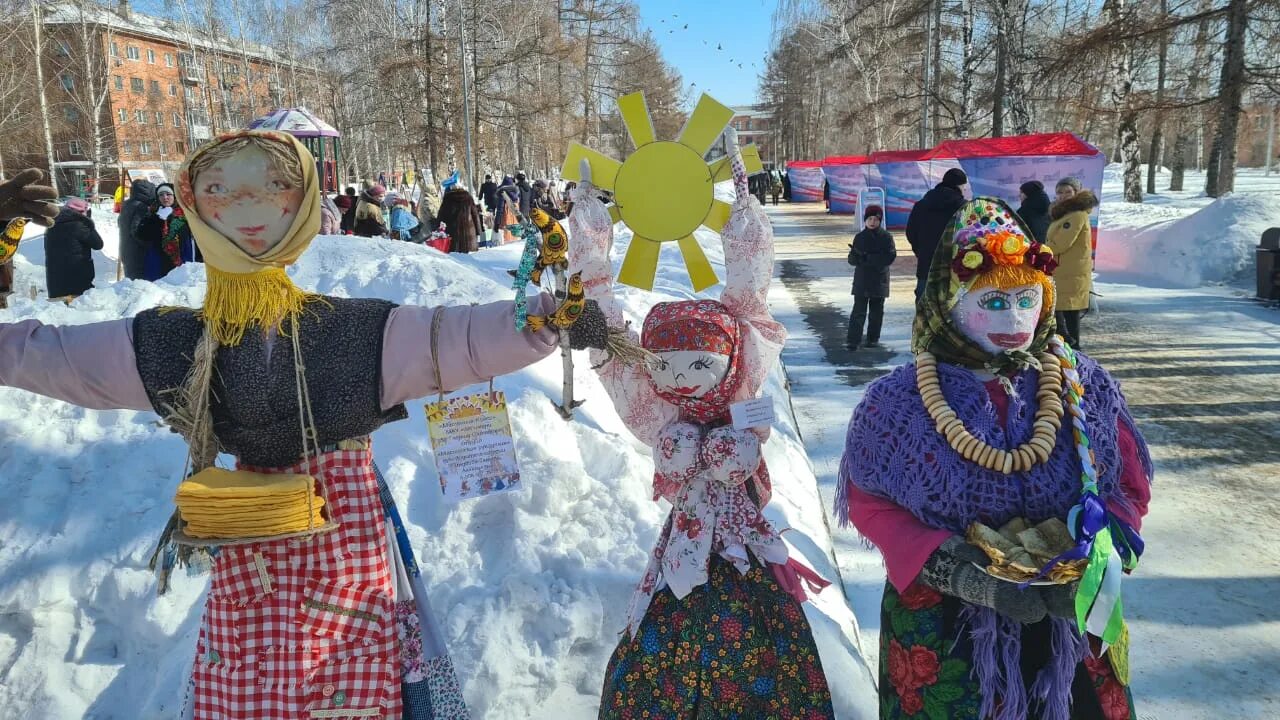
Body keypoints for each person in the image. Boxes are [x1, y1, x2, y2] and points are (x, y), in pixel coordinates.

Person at [0, 130, 609, 720]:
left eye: (273, 188)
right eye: (221, 191)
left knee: (333, 686)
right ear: (193, 205)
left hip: (334, 567)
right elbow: (51, 358)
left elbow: (451, 340)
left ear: (302, 203)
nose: (250, 207)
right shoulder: (178, 343)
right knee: (260, 685)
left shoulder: (347, 333)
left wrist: (545, 321)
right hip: (265, 560)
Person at [837, 197, 1150, 720]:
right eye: (993, 302)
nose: (1017, 317)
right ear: (949, 301)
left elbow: (1127, 485)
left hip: (1070, 615)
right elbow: (870, 500)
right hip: (946, 624)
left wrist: (1100, 549)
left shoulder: (1083, 385)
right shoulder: (900, 401)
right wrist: (948, 567)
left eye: (1027, 298)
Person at [571, 138, 836, 719]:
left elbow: (749, 293)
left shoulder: (745, 376)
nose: (683, 380)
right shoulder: (657, 408)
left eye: (700, 365)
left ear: (730, 357)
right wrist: (590, 254)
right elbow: (611, 341)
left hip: (743, 547)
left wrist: (742, 204)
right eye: (665, 366)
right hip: (683, 548)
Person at [1046, 177, 1099, 350]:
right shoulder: (1065, 214)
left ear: (1076, 192)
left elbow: (1061, 243)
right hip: (1064, 270)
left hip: (1069, 271)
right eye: (1060, 192)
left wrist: (1040, 250)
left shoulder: (1076, 215)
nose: (1063, 196)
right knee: (1064, 312)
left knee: (1066, 313)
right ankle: (1070, 348)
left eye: (1068, 192)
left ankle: (1073, 349)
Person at [906, 167, 968, 300]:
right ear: (960, 186)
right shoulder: (964, 208)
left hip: (926, 263)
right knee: (953, 307)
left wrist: (921, 251)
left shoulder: (921, 205)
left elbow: (911, 232)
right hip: (955, 266)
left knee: (925, 304)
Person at [846, 204, 896, 350]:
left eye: (875, 219)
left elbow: (889, 257)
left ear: (880, 221)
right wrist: (854, 257)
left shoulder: (886, 237)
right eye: (870, 219)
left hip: (879, 280)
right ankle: (853, 340)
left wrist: (868, 258)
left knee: (876, 312)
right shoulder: (860, 237)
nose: (872, 222)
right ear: (865, 220)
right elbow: (852, 260)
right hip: (862, 280)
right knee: (858, 311)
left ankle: (873, 339)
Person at [44, 197, 103, 300]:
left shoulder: (52, 225)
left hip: (55, 285)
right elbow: (98, 244)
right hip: (77, 284)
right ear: (81, 212)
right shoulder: (79, 226)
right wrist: (89, 223)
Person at [118, 178, 157, 279]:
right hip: (137, 253)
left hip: (126, 249)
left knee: (131, 281)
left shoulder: (127, 205)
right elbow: (136, 230)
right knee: (139, 284)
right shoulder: (141, 207)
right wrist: (148, 244)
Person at [435, 188, 481, 253]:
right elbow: (475, 215)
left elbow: (441, 215)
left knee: (454, 257)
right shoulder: (468, 197)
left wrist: (437, 228)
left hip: (453, 233)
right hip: (468, 236)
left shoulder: (448, 198)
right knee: (470, 259)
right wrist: (478, 231)